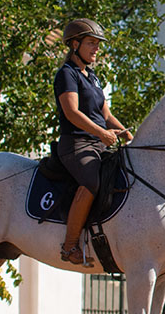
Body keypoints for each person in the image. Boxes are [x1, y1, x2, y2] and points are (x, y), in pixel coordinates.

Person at [54, 18, 133, 265]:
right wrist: (101, 133)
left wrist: (127, 134)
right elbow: (72, 112)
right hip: (76, 144)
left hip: (99, 142)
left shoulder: (94, 77)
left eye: (98, 44)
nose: (96, 48)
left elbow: (106, 114)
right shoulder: (67, 74)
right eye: (91, 43)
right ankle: (69, 246)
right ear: (75, 44)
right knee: (91, 181)